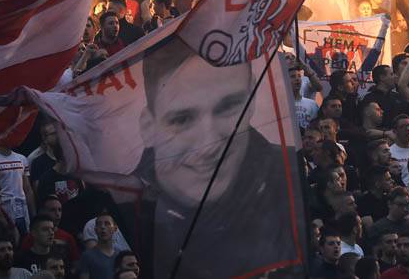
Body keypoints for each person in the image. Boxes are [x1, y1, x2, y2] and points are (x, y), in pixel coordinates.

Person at [119, 39, 297, 277]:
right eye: (182, 120)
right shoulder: (124, 207)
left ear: (251, 99)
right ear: (148, 126)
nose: (208, 143)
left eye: (228, 108)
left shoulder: (287, 174)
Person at [0, 138, 33, 236]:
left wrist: (33, 214)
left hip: (22, 212)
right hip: (3, 213)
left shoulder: (21, 158)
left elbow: (27, 189)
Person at [76, 213, 119, 279]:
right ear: (95, 229)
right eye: (99, 224)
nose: (103, 227)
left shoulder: (120, 255)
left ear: (115, 229)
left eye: (107, 223)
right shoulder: (87, 256)